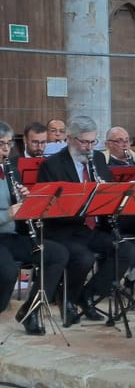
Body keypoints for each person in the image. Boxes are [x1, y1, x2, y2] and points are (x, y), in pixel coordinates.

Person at [37, 115, 135, 325]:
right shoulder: (52, 165)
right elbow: (48, 207)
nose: (89, 147)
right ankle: (69, 300)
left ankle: (88, 295)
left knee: (127, 251)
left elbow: (110, 193)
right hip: (63, 230)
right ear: (70, 139)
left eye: (93, 142)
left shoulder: (99, 159)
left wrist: (106, 194)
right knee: (84, 258)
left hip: (92, 228)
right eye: (84, 142)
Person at [0, 120, 69, 335]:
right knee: (8, 271)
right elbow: (9, 212)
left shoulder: (10, 168)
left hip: (11, 236)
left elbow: (18, 211)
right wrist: (7, 214)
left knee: (57, 254)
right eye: (1, 144)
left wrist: (28, 203)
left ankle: (31, 310)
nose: (6, 149)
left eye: (9, 143)